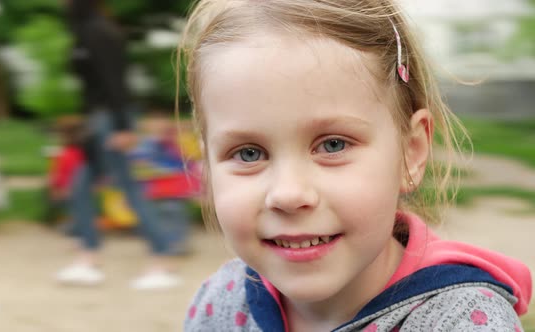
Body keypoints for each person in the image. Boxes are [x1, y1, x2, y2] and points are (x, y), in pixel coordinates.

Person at [178, 0, 532, 331]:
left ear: (411, 152)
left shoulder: (464, 323)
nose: (288, 194)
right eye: (249, 154)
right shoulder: (220, 303)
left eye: (333, 145)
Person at [55, 0, 161, 285]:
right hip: (97, 120)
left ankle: (161, 258)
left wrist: (123, 127)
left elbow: (115, 80)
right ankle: (88, 257)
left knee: (127, 187)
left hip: (110, 119)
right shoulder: (85, 30)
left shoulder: (99, 31)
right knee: (79, 187)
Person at [127, 111, 200, 290]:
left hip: (169, 189)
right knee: (163, 217)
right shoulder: (146, 146)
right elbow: (140, 166)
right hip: (155, 189)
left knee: (173, 214)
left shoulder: (170, 145)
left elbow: (184, 162)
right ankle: (167, 248)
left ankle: (172, 246)